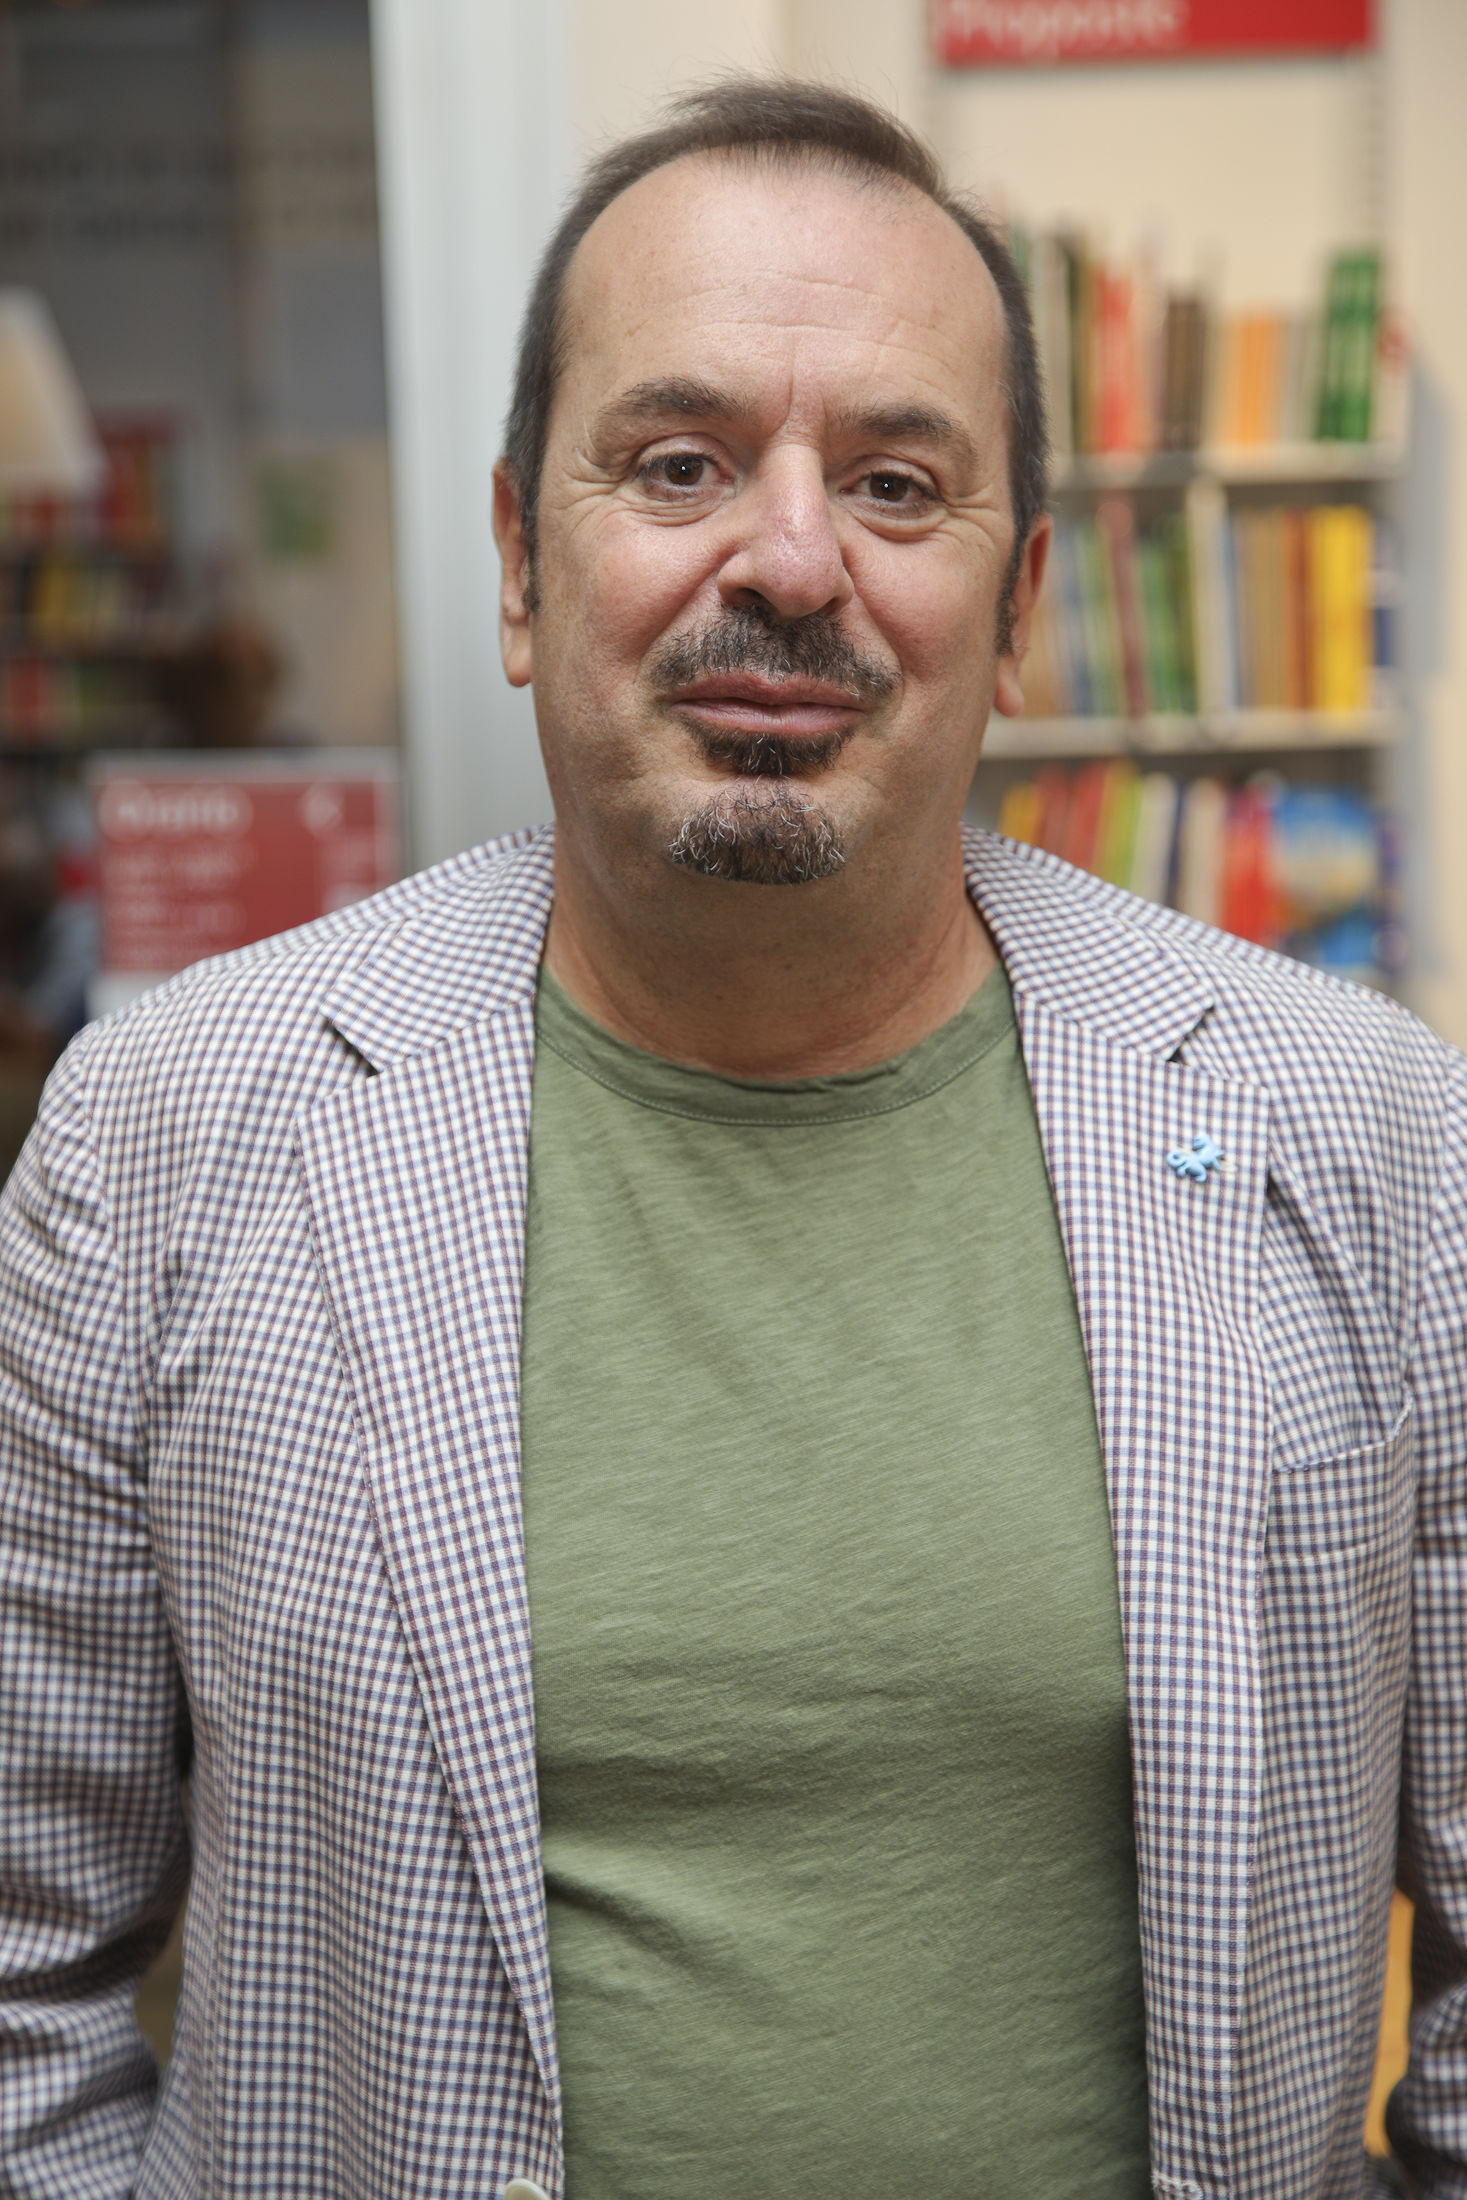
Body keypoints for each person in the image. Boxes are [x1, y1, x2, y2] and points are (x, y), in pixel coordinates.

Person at [0, 77, 1458, 2200]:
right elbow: (21, 1974)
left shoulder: (1371, 1135)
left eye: (895, 482)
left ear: (1020, 605)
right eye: (677, 462)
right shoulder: (160, 1145)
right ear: (521, 560)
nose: (786, 561)